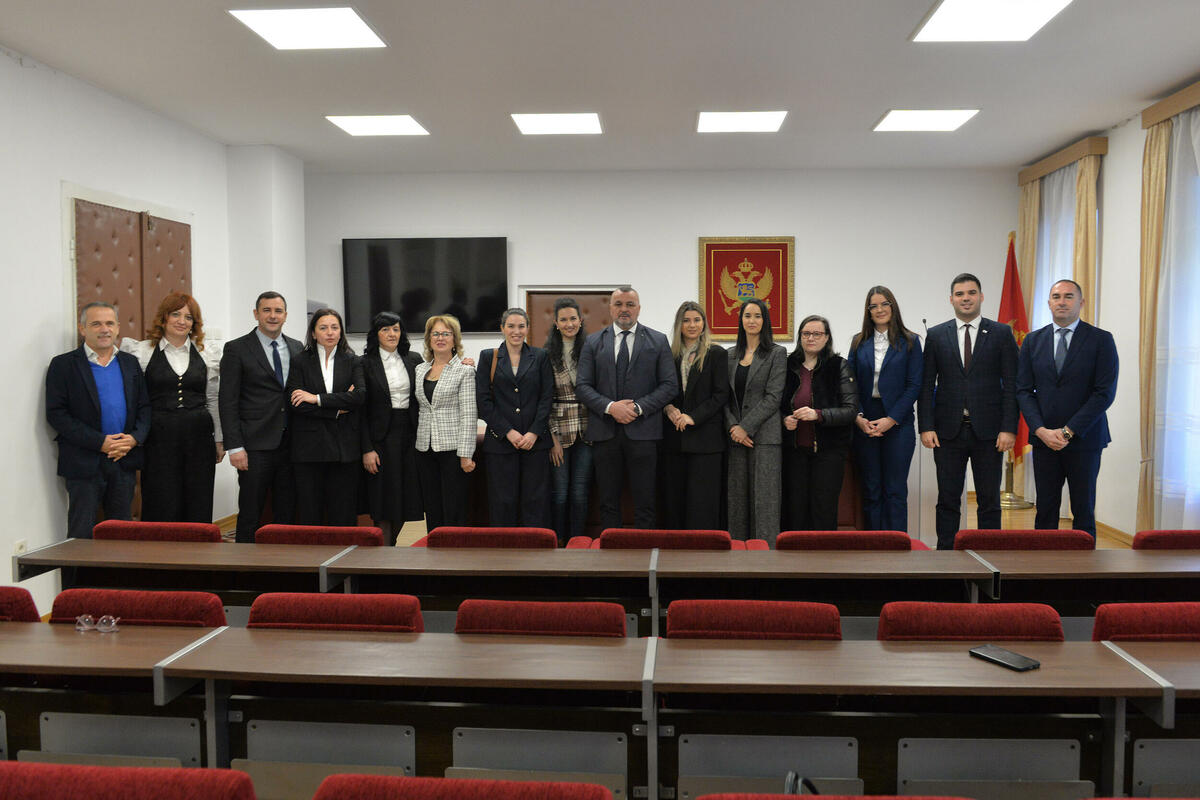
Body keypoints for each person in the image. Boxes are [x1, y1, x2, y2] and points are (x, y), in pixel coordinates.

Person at [919, 273, 1019, 549]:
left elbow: (1013, 384)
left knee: (989, 499)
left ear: (981, 297)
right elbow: (926, 386)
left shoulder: (1001, 333)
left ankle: (990, 556)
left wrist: (1009, 428)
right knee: (947, 499)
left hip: (990, 433)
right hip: (947, 432)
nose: (966, 298)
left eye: (971, 293)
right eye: (960, 294)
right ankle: (946, 556)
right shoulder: (936, 335)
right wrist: (926, 426)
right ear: (951, 299)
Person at [1017, 279, 1118, 539]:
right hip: (1044, 440)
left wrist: (1068, 431)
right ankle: (1046, 561)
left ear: (1081, 302)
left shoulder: (1101, 340)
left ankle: (1083, 564)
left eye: (1068, 296)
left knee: (1083, 509)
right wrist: (1040, 430)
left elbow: (1104, 393)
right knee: (1045, 509)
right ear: (1049, 303)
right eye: (1056, 297)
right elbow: (1024, 391)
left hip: (1085, 439)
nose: (1062, 302)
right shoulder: (1032, 341)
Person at [46, 302, 151, 539]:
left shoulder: (130, 363)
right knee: (81, 534)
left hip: (123, 459)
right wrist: (100, 442)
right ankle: (79, 568)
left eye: (109, 323)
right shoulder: (63, 365)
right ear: (82, 329)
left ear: (118, 328)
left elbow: (144, 407)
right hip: (83, 462)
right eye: (96, 324)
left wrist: (134, 439)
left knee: (121, 534)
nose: (104, 329)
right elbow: (57, 414)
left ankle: (119, 568)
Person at [576, 286, 677, 530]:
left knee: (645, 501)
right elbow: (583, 386)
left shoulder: (658, 340)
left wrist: (638, 408)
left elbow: (669, 385)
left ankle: (644, 550)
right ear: (610, 308)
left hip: (644, 433)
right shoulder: (593, 342)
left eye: (630, 304)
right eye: (619, 304)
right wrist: (611, 407)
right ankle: (611, 550)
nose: (624, 309)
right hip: (605, 433)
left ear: (639, 309)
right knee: (607, 501)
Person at [120, 292, 223, 523]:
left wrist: (219, 439)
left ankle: (197, 545)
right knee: (161, 498)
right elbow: (134, 400)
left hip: (199, 437)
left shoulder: (206, 353)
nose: (182, 321)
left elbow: (212, 398)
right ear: (164, 317)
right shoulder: (143, 352)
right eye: (176, 314)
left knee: (198, 498)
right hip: (158, 437)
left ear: (194, 323)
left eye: (188, 317)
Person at [218, 291, 304, 543]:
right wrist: (235, 446)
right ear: (256, 314)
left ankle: (283, 560)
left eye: (278, 311)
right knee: (250, 512)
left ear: (285, 316)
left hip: (291, 444)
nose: (272, 316)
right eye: (266, 310)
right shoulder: (236, 349)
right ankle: (245, 563)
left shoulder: (297, 347)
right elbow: (227, 400)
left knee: (286, 511)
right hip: (254, 446)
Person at [849, 286, 923, 532]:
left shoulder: (911, 341)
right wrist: (858, 417)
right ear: (868, 311)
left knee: (895, 490)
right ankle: (873, 546)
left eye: (884, 304)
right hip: (865, 421)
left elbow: (914, 385)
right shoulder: (858, 342)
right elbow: (850, 384)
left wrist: (891, 419)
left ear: (893, 306)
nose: (879, 309)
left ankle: (897, 546)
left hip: (898, 422)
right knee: (871, 490)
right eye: (874, 306)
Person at [285, 308, 365, 527]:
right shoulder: (300, 361)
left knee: (344, 513)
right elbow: (297, 403)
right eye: (323, 328)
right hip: (309, 449)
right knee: (311, 513)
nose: (330, 332)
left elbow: (359, 397)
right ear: (313, 333)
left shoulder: (353, 361)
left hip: (344, 448)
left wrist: (316, 398)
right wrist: (337, 409)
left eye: (334, 327)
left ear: (340, 332)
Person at [476, 308, 554, 527]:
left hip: (535, 444)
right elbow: (483, 401)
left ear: (528, 328)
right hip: (500, 443)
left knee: (535, 502)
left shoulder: (540, 356)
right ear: (502, 328)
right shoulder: (488, 357)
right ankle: (504, 547)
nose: (516, 331)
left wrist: (534, 432)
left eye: (521, 326)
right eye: (511, 326)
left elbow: (547, 398)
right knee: (503, 501)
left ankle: (535, 546)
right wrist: (508, 432)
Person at [781, 315, 859, 531]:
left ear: (827, 337)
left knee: (823, 510)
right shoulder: (787, 366)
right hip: (794, 452)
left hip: (829, 452)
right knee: (795, 511)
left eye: (817, 334)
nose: (811, 338)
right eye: (806, 333)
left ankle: (823, 553)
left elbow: (850, 410)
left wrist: (818, 415)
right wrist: (783, 419)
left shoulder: (839, 366)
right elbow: (776, 404)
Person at [661, 301, 728, 530]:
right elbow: (662, 390)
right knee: (674, 501)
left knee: (703, 503)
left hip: (706, 439)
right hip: (674, 439)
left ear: (704, 324)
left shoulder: (716, 353)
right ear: (679, 325)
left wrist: (693, 417)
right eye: (686, 320)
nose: (692, 325)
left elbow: (720, 395)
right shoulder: (669, 355)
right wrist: (669, 408)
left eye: (697, 320)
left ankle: (704, 548)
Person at [725, 299, 787, 546]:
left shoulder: (776, 353)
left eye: (757, 316)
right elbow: (723, 398)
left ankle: (766, 559)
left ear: (765, 320)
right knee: (737, 503)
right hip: (735, 439)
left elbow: (774, 397)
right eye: (747, 316)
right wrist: (733, 427)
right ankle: (737, 557)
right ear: (741, 320)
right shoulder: (729, 355)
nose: (752, 321)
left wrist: (745, 427)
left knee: (765, 504)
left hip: (765, 438)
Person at [361, 311, 424, 545]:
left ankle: (393, 546)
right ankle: (383, 550)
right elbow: (361, 411)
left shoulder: (414, 359)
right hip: (379, 439)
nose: (391, 334)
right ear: (376, 334)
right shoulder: (365, 363)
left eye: (396, 329)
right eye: (385, 329)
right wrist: (367, 448)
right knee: (383, 497)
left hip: (409, 435)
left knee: (406, 496)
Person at [414, 315, 477, 532]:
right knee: (432, 507)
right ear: (429, 339)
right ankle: (434, 547)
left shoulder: (465, 370)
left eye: (446, 334)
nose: (440, 338)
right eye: (436, 334)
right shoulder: (420, 370)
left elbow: (469, 414)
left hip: (453, 450)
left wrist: (466, 454)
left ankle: (455, 550)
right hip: (425, 448)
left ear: (454, 339)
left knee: (454, 507)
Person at [545, 298, 593, 544]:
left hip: (588, 431)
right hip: (559, 432)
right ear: (556, 323)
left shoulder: (591, 349)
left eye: (573, 318)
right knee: (560, 493)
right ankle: (559, 542)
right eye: (563, 319)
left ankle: (577, 543)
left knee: (580, 493)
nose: (569, 324)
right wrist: (552, 438)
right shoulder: (546, 355)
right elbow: (544, 401)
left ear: (581, 321)